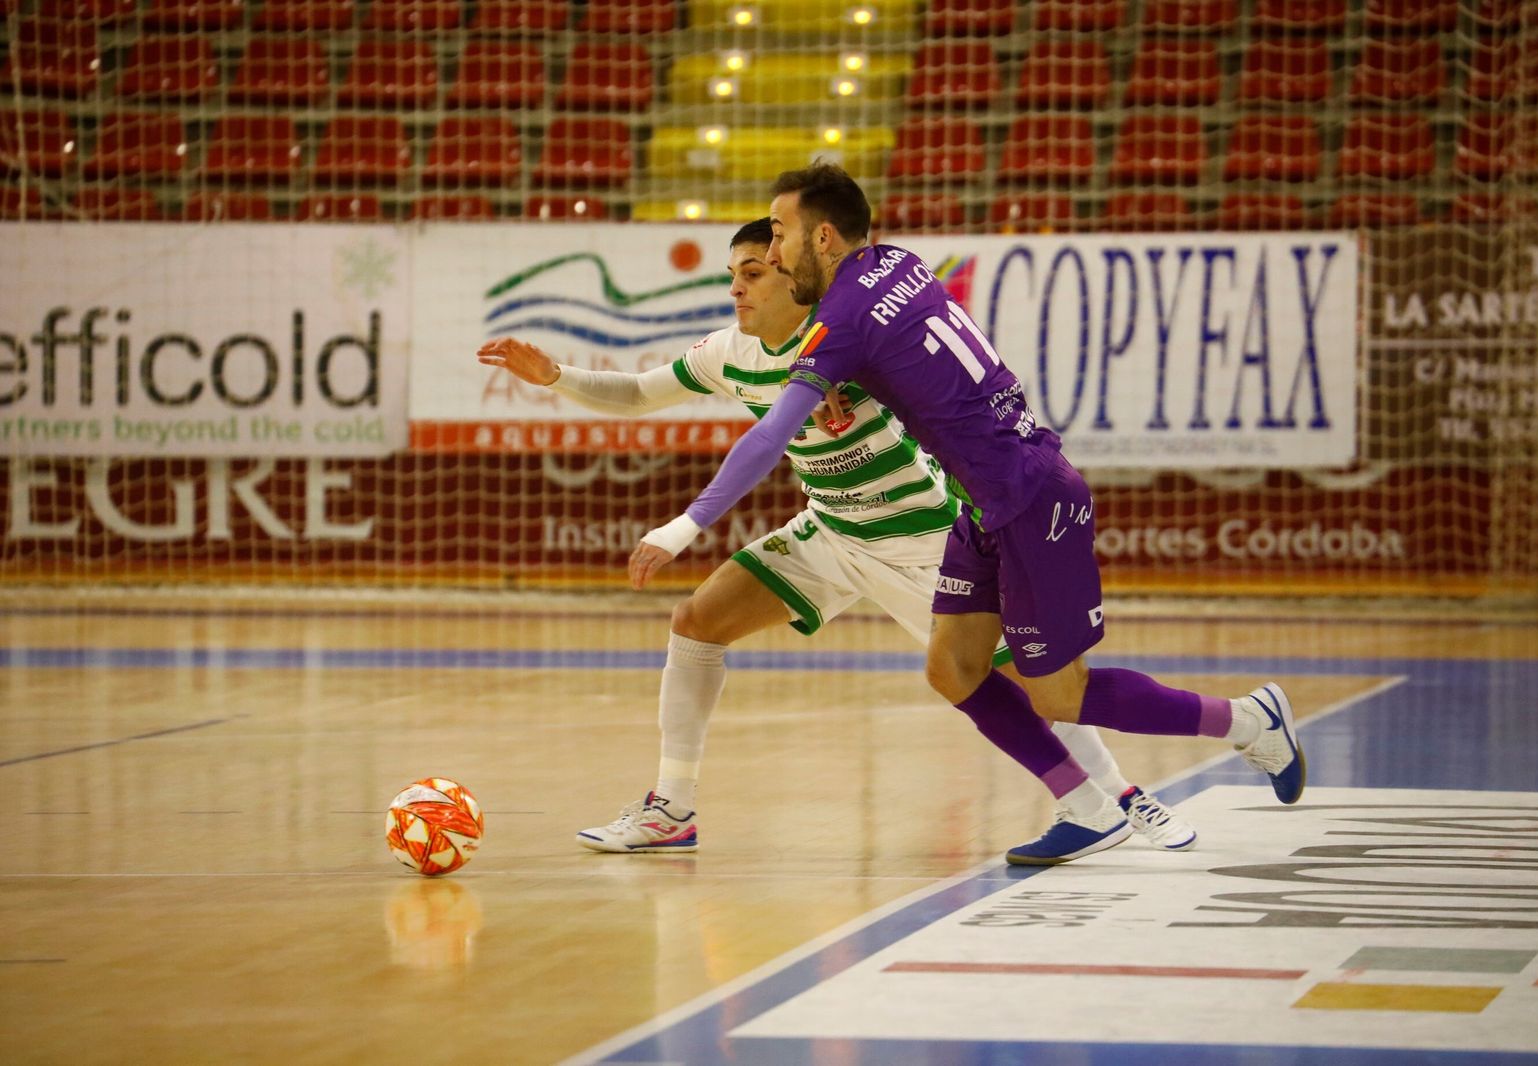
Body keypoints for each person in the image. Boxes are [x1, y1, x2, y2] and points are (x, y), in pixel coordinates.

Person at [625, 164, 1307, 865]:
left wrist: (683, 527)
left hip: (1031, 499)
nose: (771, 254)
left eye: (778, 235)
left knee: (1059, 694)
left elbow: (771, 433)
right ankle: (1088, 806)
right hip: (986, 503)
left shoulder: (841, 325)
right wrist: (836, 376)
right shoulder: (898, 263)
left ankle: (1248, 722)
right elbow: (886, 350)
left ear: (822, 237)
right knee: (953, 668)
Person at [476, 218, 1199, 859]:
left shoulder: (851, 340)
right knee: (697, 621)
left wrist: (696, 516)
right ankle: (673, 810)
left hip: (921, 535)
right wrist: (556, 377)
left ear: (795, 277)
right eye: (732, 275)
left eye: (754, 272)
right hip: (831, 529)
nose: (737, 288)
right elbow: (638, 392)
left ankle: (1125, 799)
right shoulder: (729, 352)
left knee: (1030, 681)